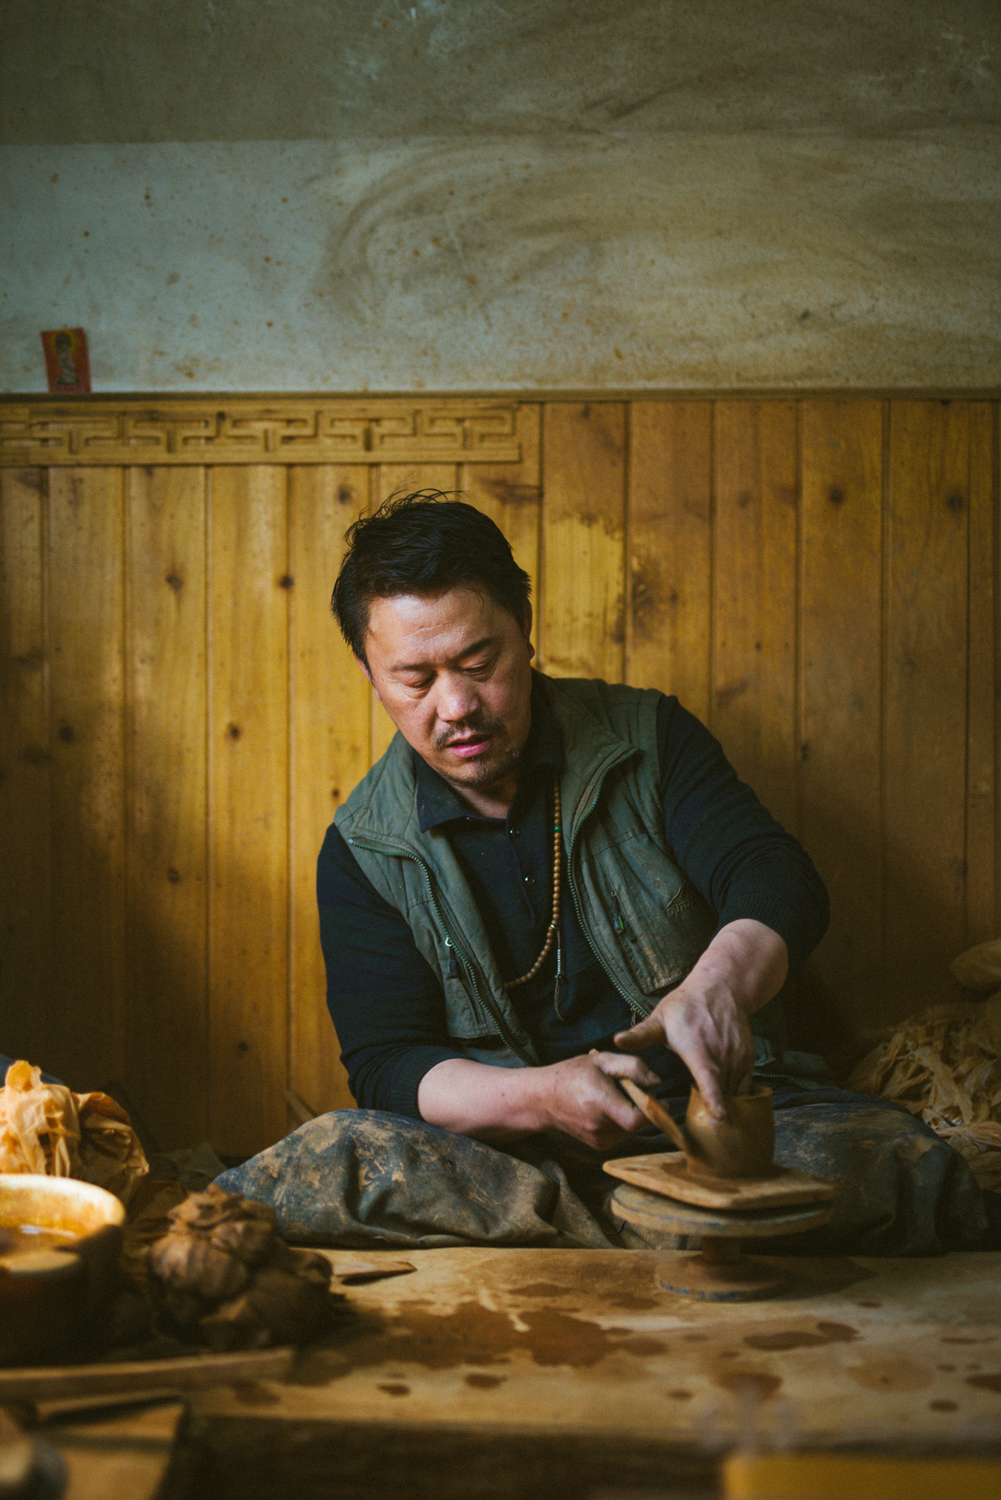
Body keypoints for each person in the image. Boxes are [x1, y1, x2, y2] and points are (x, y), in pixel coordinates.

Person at [218, 493, 997, 1253]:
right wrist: (539, 1096)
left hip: (707, 1119)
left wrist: (717, 986)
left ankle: (603, 1226)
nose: (455, 705)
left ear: (524, 632)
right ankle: (676, 1227)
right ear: (369, 673)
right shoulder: (363, 846)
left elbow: (773, 875)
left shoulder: (648, 740)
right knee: (328, 1158)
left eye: (478, 662)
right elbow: (387, 1064)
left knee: (891, 1164)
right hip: (510, 1148)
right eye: (415, 679)